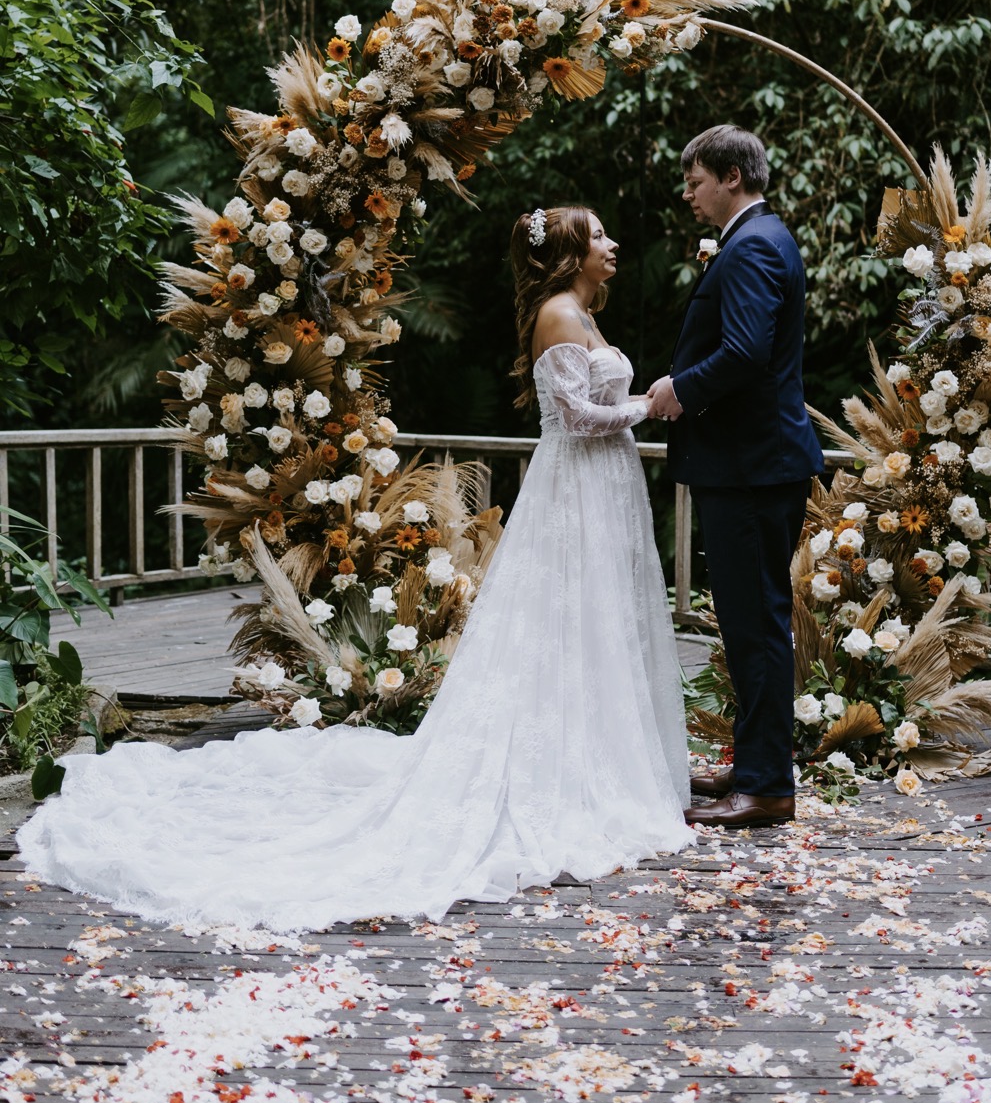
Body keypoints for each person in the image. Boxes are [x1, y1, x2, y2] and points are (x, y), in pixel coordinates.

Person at [20, 207, 693, 931]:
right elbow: (578, 417)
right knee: (565, 617)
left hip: (600, 488)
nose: (612, 244)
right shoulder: (559, 315)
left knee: (593, 622)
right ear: (568, 251)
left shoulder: (584, 314)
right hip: (575, 488)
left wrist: (637, 404)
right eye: (598, 235)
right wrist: (648, 405)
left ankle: (592, 761)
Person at [646, 126, 824, 831]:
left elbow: (747, 352)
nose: (688, 194)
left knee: (756, 627)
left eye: (695, 181)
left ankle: (768, 786)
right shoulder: (761, 238)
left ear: (730, 177)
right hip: (756, 464)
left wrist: (681, 390)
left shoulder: (751, 246)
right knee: (750, 623)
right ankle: (752, 765)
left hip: (752, 467)